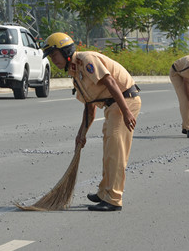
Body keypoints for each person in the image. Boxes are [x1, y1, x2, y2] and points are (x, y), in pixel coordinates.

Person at [42, 32, 141, 212]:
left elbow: (110, 81)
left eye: (54, 55)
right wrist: (81, 135)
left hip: (125, 100)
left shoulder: (86, 60)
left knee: (116, 152)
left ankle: (113, 199)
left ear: (65, 51)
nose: (53, 60)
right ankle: (104, 192)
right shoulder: (75, 73)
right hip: (112, 106)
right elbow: (90, 107)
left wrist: (126, 112)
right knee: (108, 150)